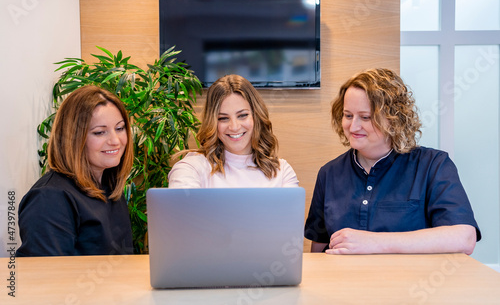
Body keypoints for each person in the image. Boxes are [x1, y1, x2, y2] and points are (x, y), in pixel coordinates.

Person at [304, 68, 481, 255]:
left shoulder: (433, 165)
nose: (353, 126)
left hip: (412, 282)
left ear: (394, 119)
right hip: (345, 283)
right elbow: (318, 251)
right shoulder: (329, 173)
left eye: (366, 117)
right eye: (348, 115)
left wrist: (375, 242)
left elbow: (464, 238)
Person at [17, 85, 134, 256]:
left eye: (119, 128)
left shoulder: (110, 186)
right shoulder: (49, 198)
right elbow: (46, 278)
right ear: (73, 137)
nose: (115, 141)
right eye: (100, 132)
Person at [168, 74, 298, 188]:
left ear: (256, 116)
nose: (234, 127)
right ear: (212, 122)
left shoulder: (282, 172)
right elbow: (182, 213)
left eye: (242, 115)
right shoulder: (192, 167)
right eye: (223, 118)